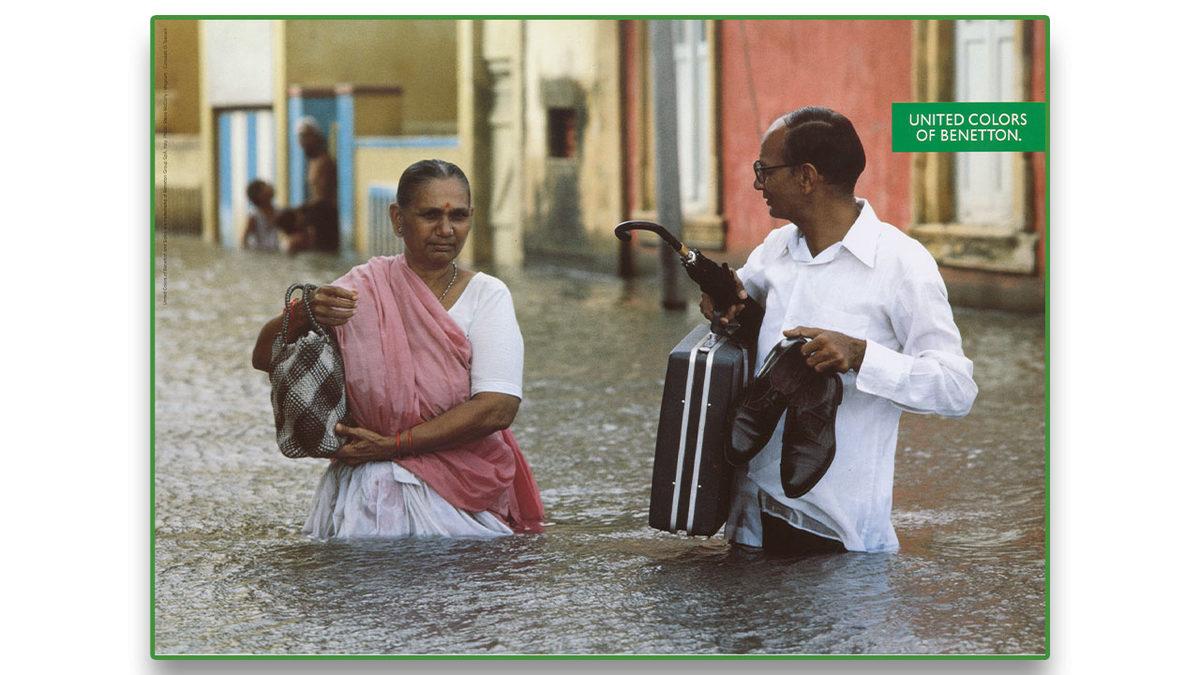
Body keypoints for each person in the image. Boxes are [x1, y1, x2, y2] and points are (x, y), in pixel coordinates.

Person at [701, 106, 978, 555]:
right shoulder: (774, 249)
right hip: (748, 523)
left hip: (838, 535)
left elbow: (956, 390)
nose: (757, 184)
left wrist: (863, 356)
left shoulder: (902, 263)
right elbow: (735, 306)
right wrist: (721, 305)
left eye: (764, 171)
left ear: (806, 176)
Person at [251, 159, 544, 537]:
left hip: (458, 491)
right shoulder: (360, 288)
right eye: (429, 215)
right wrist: (304, 312)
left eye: (458, 216)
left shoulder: (487, 295)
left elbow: (497, 408)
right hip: (366, 486)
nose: (445, 229)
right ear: (397, 219)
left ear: (471, 217)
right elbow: (264, 357)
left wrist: (395, 445)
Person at [295, 116, 339, 252]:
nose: (303, 142)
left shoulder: (324, 162)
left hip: (326, 219)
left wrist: (301, 211)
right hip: (316, 218)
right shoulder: (312, 162)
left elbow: (324, 198)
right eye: (300, 137)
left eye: (306, 137)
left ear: (316, 136)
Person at [242, 179, 280, 252]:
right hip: (260, 254)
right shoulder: (254, 216)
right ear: (259, 196)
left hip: (275, 253)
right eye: (265, 187)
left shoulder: (279, 212)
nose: (270, 187)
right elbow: (244, 239)